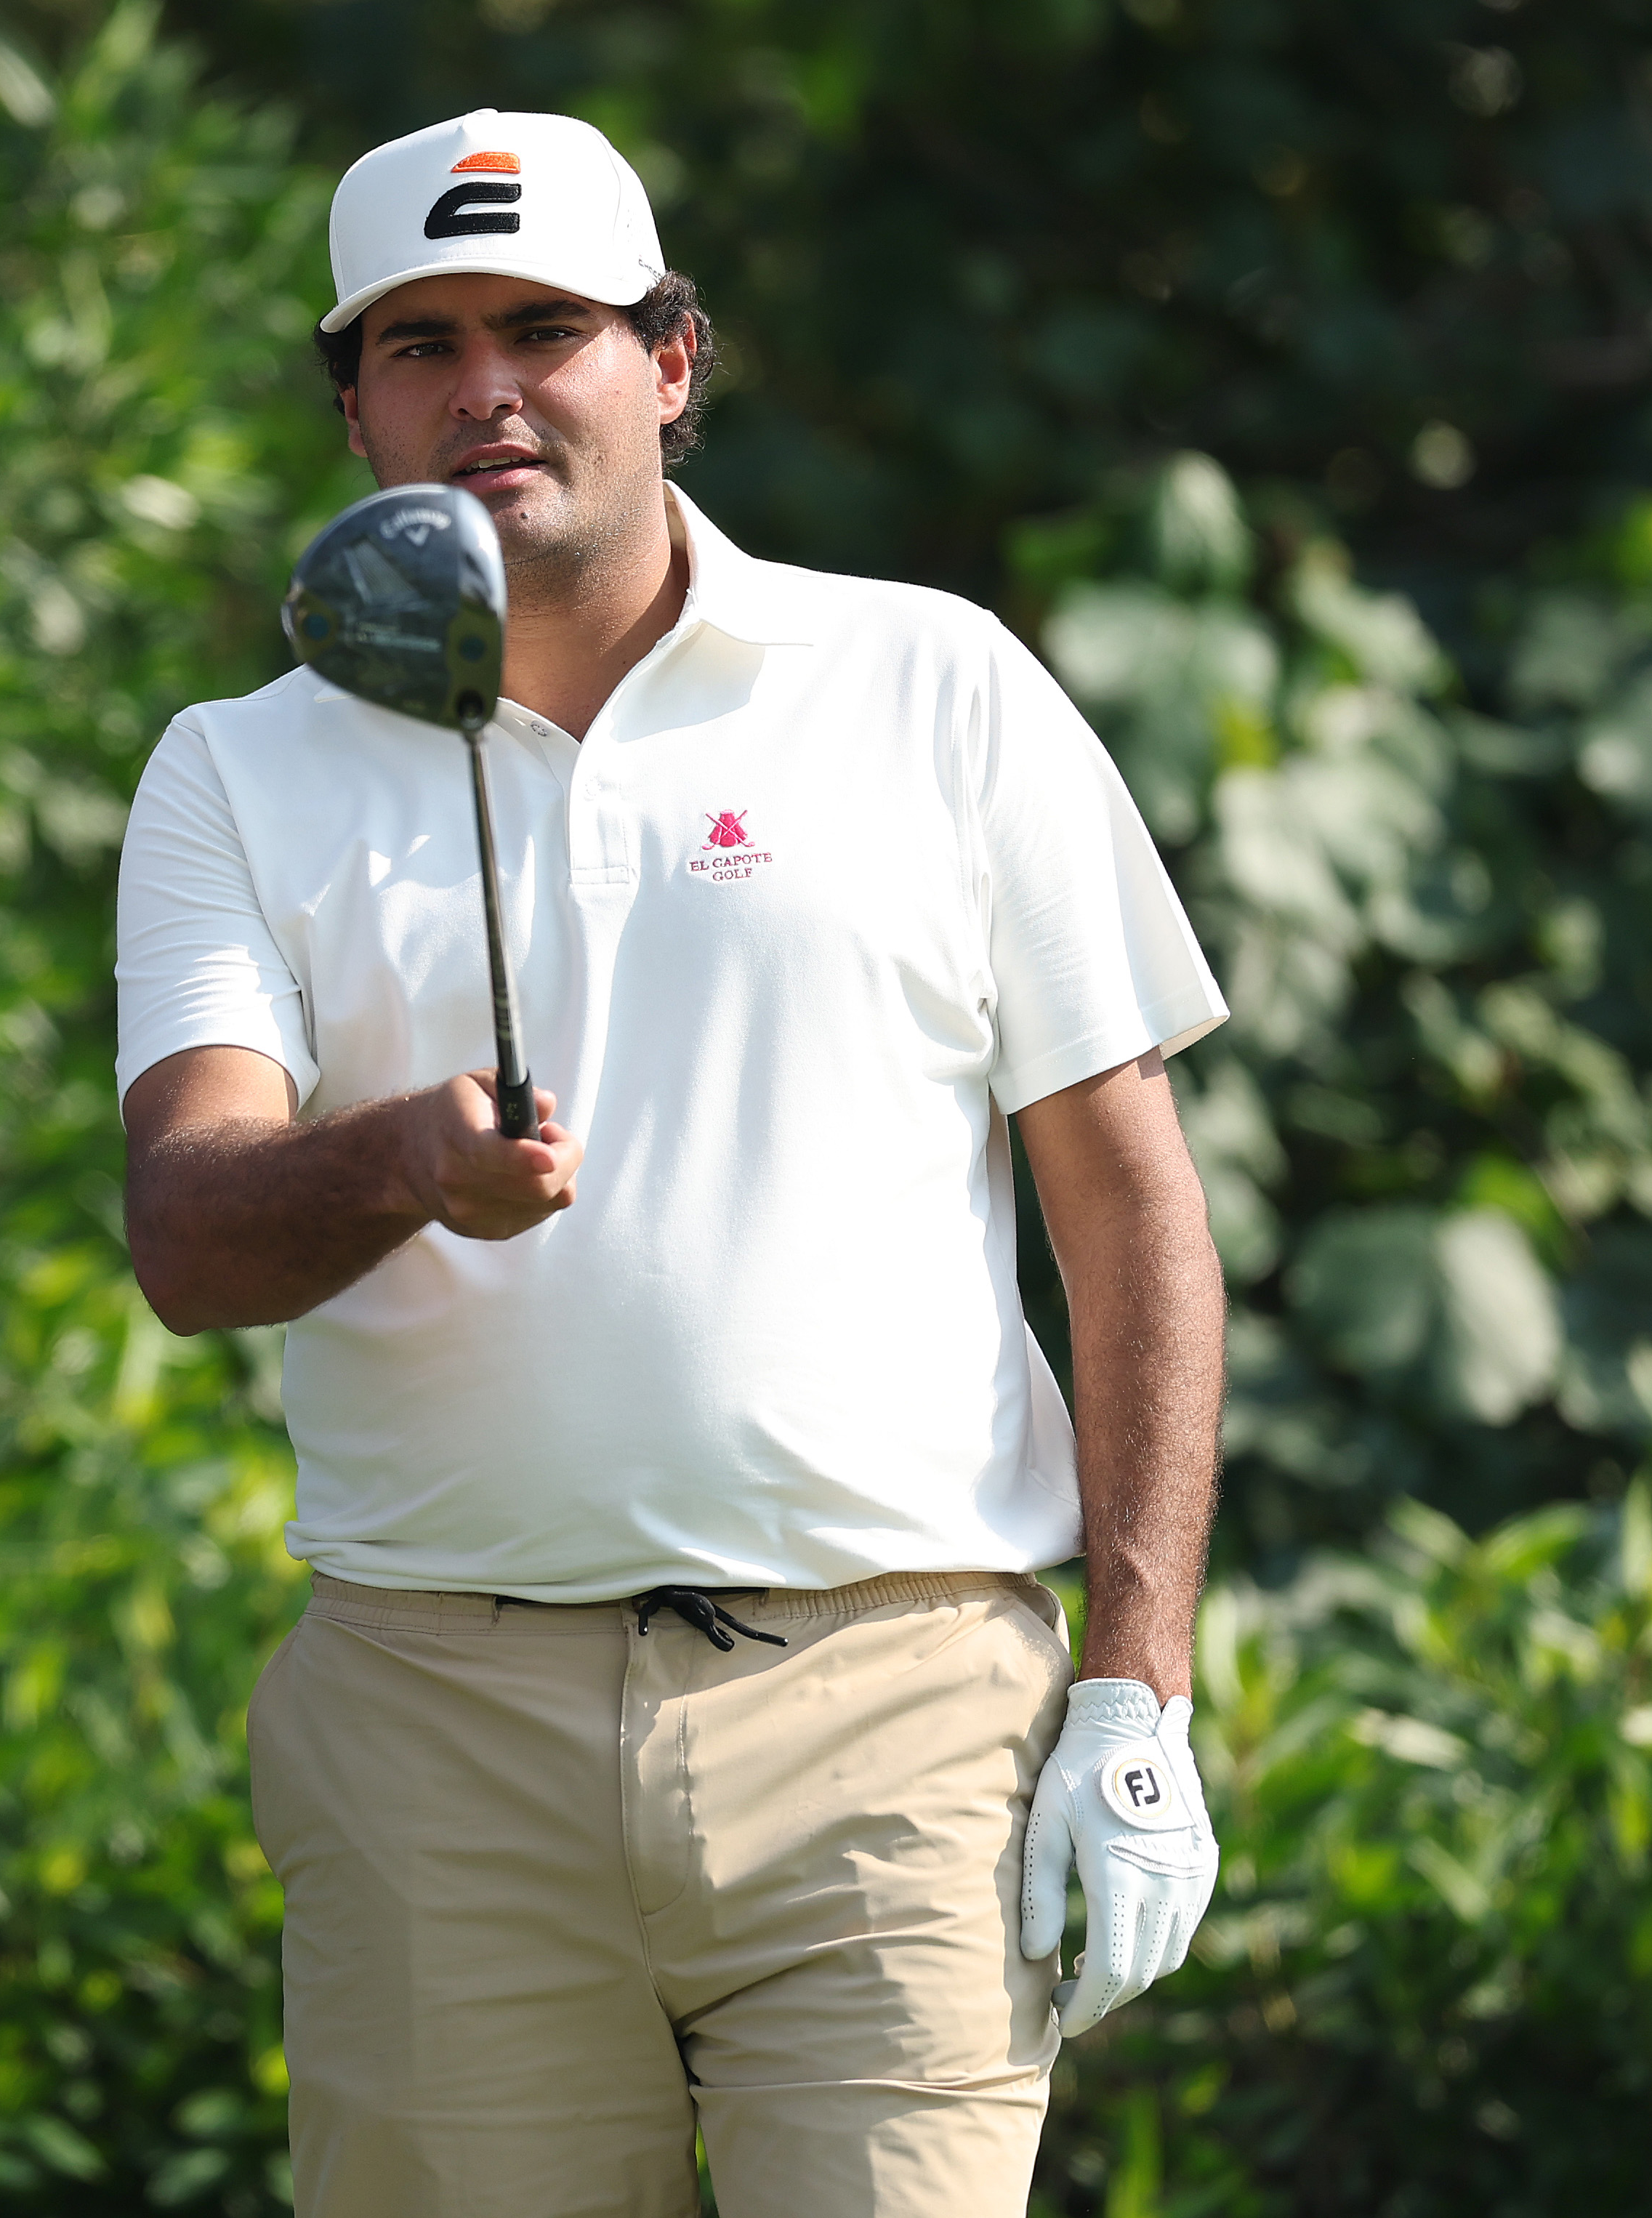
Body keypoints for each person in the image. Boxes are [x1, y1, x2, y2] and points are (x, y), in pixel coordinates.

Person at [116, 113, 1228, 2216]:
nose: (489, 388)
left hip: (897, 1709)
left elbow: (1129, 1212)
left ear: (673, 360)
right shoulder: (236, 765)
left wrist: (1133, 1688)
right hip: (436, 1718)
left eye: (548, 327)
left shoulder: (932, 681)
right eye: (421, 343)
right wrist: (400, 1167)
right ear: (349, 402)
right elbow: (189, 1233)